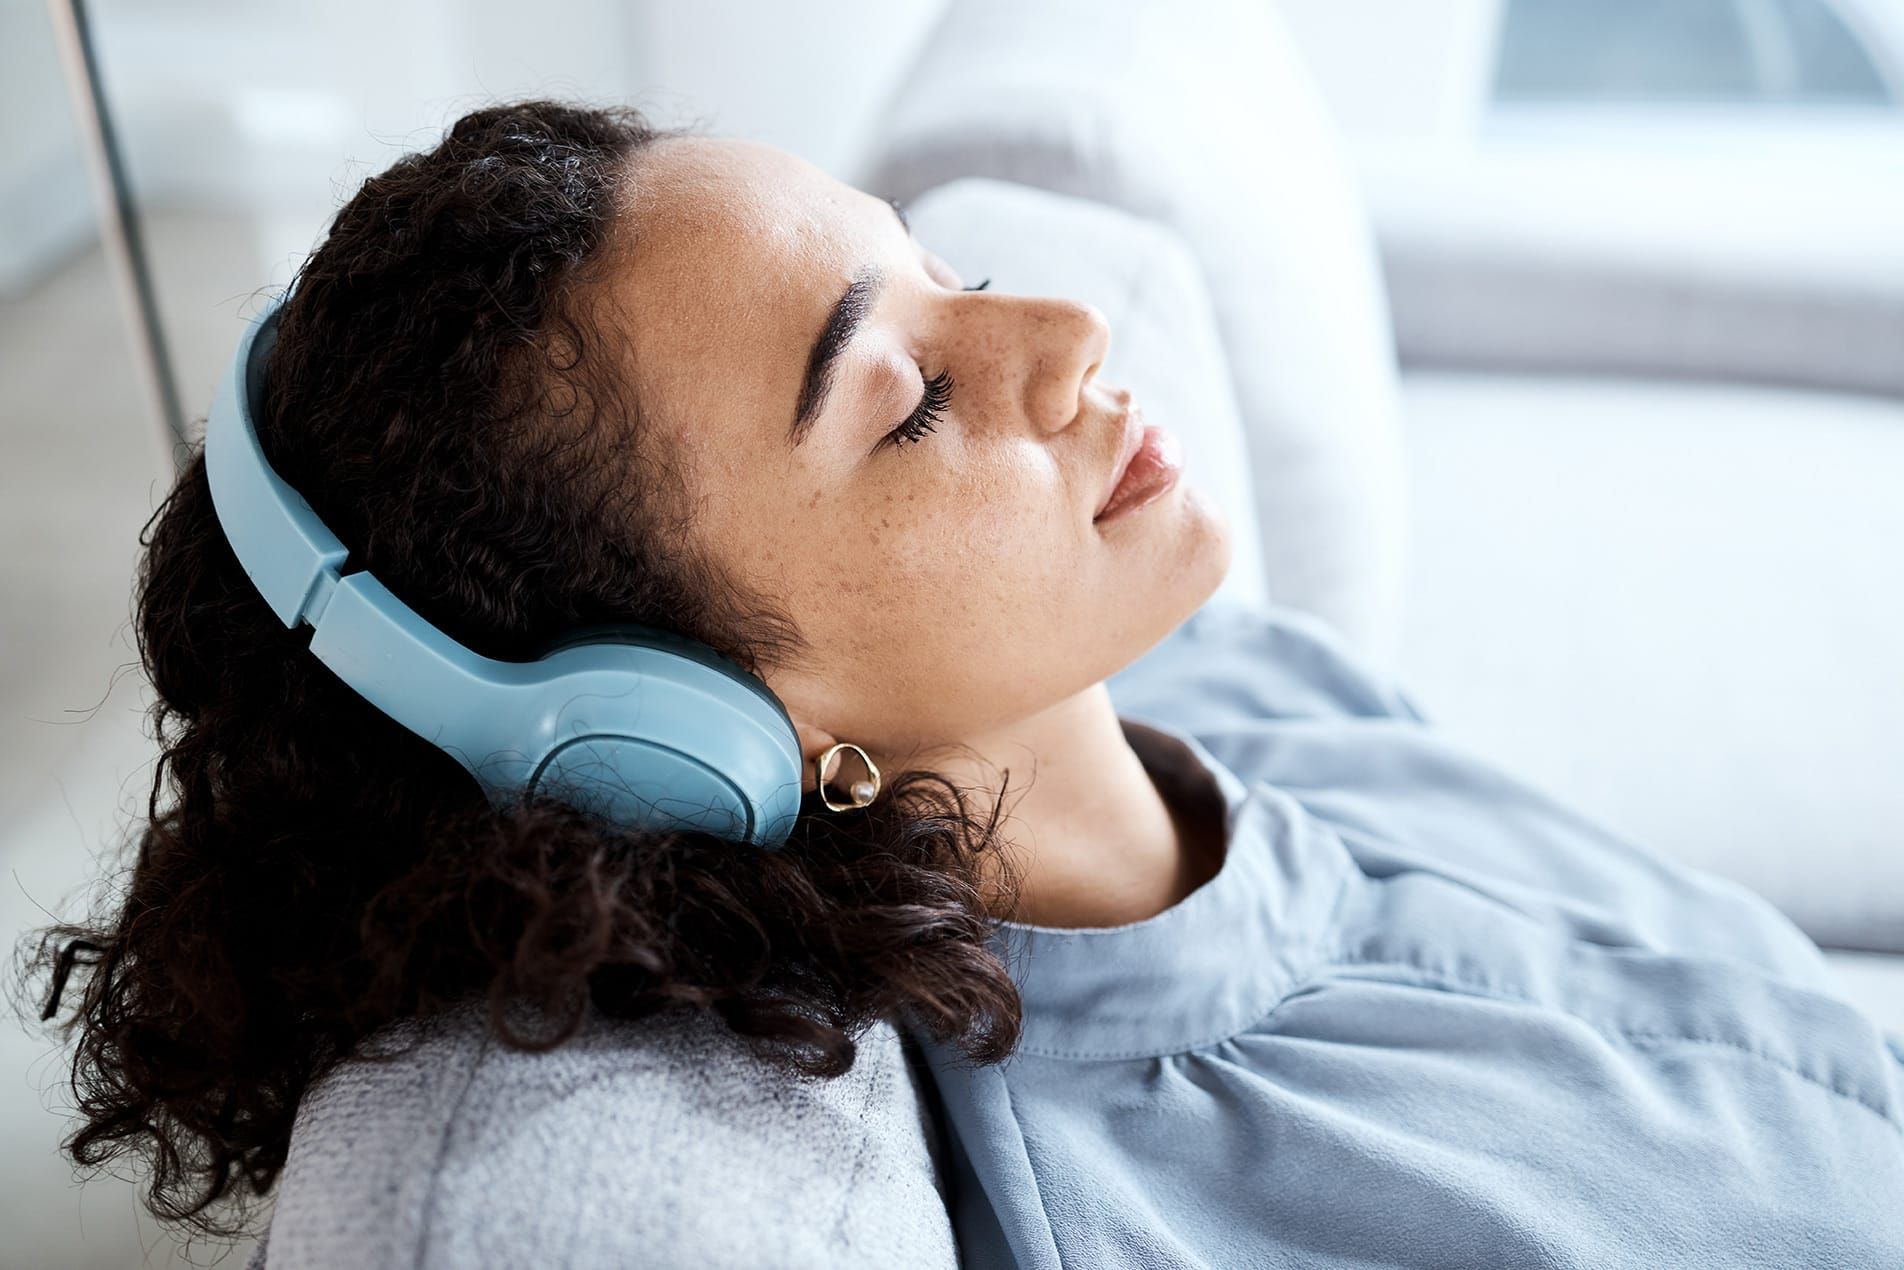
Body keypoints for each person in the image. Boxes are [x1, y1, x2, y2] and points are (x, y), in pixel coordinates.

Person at [22, 99, 1903, 1268]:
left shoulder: (1248, 693)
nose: (1071, 330)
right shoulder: (1155, 1222)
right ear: (672, 734)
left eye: (943, 271)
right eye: (904, 396)